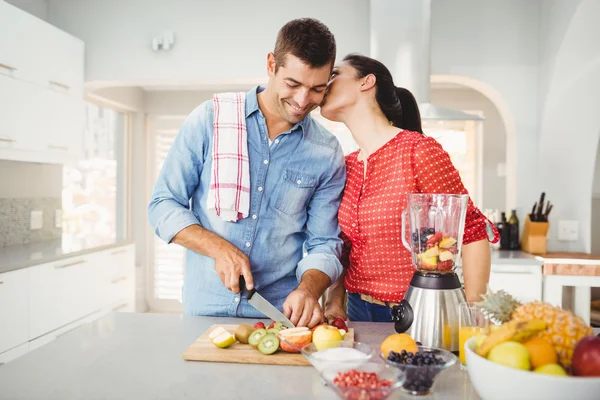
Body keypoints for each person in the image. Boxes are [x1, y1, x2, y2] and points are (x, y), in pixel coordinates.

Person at [148, 18, 346, 328]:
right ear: (271, 64)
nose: (302, 100)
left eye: (317, 89)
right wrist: (218, 248)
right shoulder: (209, 119)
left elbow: (324, 242)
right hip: (205, 310)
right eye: (293, 84)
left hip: (277, 317)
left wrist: (309, 290)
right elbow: (162, 204)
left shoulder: (326, 151)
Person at [320, 54, 499, 323]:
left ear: (366, 82)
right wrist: (334, 302)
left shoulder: (418, 151)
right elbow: (345, 250)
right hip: (357, 311)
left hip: (415, 310)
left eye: (334, 74)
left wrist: (472, 319)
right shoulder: (347, 165)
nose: (324, 81)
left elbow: (471, 231)